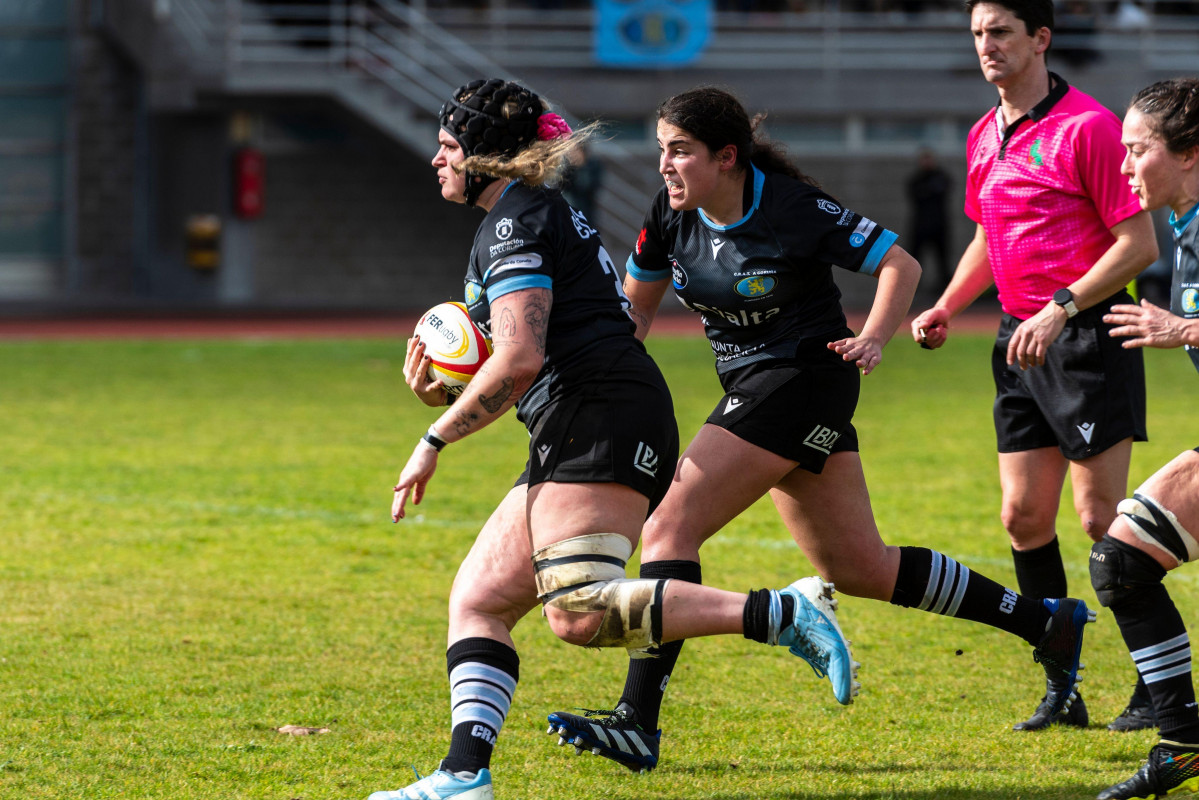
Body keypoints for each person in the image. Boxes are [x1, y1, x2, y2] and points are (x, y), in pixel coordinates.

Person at [545, 85, 1095, 774]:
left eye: (679, 152)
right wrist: (588, 376)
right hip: (758, 391)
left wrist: (873, 336)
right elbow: (634, 317)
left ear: (726, 157)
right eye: (660, 150)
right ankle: (1045, 621)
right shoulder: (669, 215)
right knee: (857, 566)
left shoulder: (789, 208)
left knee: (668, 528)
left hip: (805, 379)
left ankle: (634, 723)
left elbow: (902, 263)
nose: (664, 165)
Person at [369, 78, 861, 800]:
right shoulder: (525, 216)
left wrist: (434, 437)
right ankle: (463, 775)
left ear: (487, 157)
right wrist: (443, 389)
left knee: (574, 611)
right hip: (580, 412)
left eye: (447, 148)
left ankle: (780, 613)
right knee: (478, 599)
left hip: (598, 413)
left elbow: (520, 357)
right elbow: (521, 357)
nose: (436, 161)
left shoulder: (514, 224)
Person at [910, 0, 1160, 731]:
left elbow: (1137, 244)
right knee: (1022, 518)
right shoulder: (982, 134)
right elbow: (990, 234)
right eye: (977, 34)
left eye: (1000, 33)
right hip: (1018, 341)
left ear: (1039, 39)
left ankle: (1157, 676)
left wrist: (1058, 307)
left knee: (1097, 519)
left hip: (1084, 339)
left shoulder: (1088, 127)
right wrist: (947, 304)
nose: (986, 46)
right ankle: (1063, 686)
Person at [1092, 77, 1199, 800]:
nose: (1125, 168)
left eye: (1137, 150)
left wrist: (1180, 328)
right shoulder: (1186, 231)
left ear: (1189, 153)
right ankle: (1184, 743)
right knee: (1120, 564)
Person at [906, 149, 953, 293]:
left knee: (943, 259)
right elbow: (916, 194)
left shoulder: (941, 176)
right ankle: (913, 288)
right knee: (914, 259)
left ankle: (944, 288)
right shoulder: (916, 179)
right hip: (920, 225)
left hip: (939, 225)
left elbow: (944, 188)